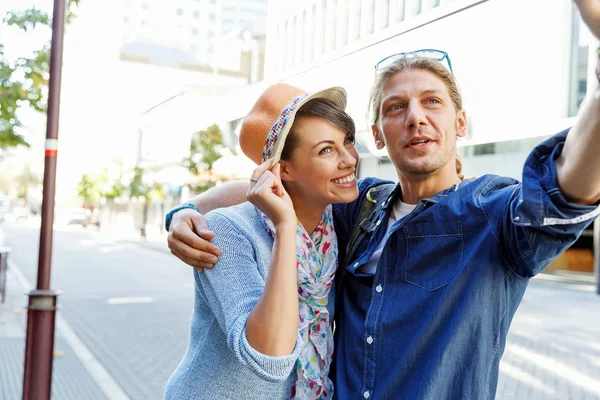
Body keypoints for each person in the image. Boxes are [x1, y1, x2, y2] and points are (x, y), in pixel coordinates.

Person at [165, 2, 600, 398]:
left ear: (461, 122)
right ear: (377, 135)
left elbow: (564, 192)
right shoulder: (360, 206)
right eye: (395, 108)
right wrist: (187, 211)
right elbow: (276, 190)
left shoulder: (491, 211)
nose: (415, 117)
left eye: (432, 102)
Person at [163, 83, 360, 399]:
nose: (350, 159)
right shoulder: (227, 231)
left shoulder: (336, 226)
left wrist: (186, 208)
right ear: (283, 170)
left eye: (347, 141)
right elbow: (268, 357)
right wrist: (285, 226)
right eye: (326, 149)